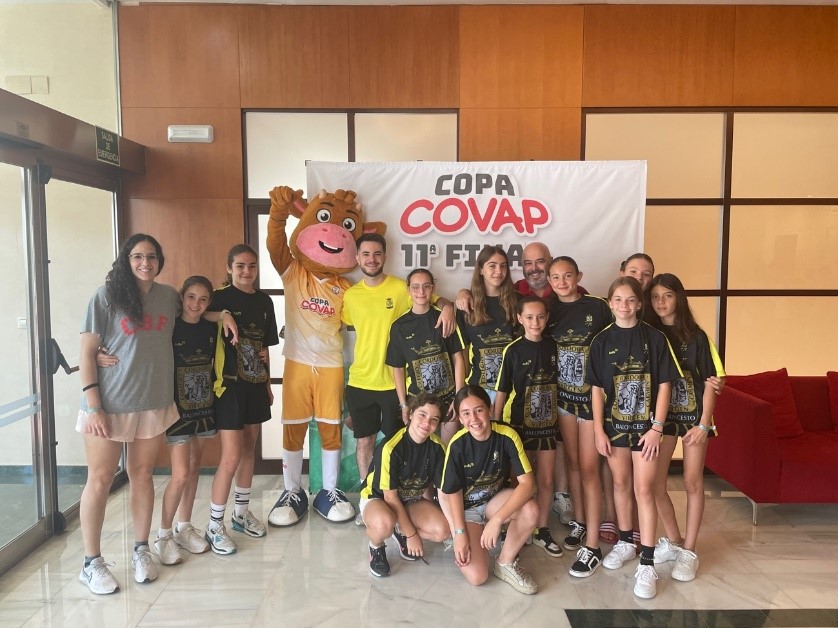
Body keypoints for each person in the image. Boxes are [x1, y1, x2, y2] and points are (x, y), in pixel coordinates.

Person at [77, 234, 180, 593]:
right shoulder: (106, 295)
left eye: (151, 257)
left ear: (159, 260)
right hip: (109, 404)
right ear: (127, 259)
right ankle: (91, 563)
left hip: (153, 401)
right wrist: (94, 406)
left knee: (142, 474)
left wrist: (224, 313)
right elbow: (86, 353)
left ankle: (141, 549)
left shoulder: (168, 296)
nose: (145, 263)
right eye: (137, 256)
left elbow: (195, 311)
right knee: (100, 479)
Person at [343, 234, 455, 512]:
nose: (371, 259)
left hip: (395, 386)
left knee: (402, 444)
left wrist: (449, 307)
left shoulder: (400, 288)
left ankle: (404, 500)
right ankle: (368, 499)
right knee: (365, 441)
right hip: (360, 381)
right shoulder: (351, 295)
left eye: (377, 254)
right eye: (366, 254)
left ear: (385, 256)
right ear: (357, 258)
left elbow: (432, 299)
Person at [588, 276, 682, 599]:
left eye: (631, 299)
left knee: (644, 490)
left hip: (646, 431)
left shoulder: (655, 339)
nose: (624, 305)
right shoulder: (601, 341)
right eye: (618, 299)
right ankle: (626, 541)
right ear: (610, 303)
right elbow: (596, 390)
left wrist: (657, 428)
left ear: (640, 303)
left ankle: (647, 562)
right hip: (614, 428)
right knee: (620, 484)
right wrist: (598, 429)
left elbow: (665, 385)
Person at [649, 273, 725, 582]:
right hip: (662, 419)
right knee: (655, 484)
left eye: (667, 295)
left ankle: (690, 550)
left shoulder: (697, 336)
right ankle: (674, 540)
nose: (661, 302)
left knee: (693, 482)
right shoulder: (650, 333)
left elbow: (712, 383)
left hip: (694, 417)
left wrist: (705, 424)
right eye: (655, 296)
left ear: (679, 298)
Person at [205, 244, 279, 554]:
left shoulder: (264, 301)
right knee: (231, 456)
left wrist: (268, 385)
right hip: (229, 387)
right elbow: (195, 314)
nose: (246, 271)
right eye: (240, 266)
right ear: (229, 268)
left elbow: (265, 348)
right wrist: (222, 314)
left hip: (255, 385)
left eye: (252, 266)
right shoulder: (219, 297)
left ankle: (240, 514)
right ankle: (214, 525)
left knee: (249, 450)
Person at [546, 256, 614, 573]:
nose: (562, 282)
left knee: (589, 468)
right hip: (563, 400)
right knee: (572, 463)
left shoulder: (597, 307)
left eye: (568, 276)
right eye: (556, 277)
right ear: (549, 281)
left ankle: (593, 542)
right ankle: (580, 522)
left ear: (579, 276)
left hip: (591, 401)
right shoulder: (548, 310)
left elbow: (613, 342)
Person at [442, 385, 539, 595]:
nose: (474, 419)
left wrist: (497, 521)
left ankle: (504, 562)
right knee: (477, 577)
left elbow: (528, 484)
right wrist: (459, 533)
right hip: (468, 509)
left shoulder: (507, 435)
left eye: (479, 410)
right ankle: (471, 538)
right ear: (459, 418)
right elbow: (451, 493)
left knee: (530, 510)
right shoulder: (457, 445)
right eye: (466, 413)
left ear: (490, 409)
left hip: (495, 502)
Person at [153, 276, 219, 562]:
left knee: (193, 468)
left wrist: (223, 315)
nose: (196, 304)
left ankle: (184, 527)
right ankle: (163, 535)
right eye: (191, 297)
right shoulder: (170, 327)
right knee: (180, 473)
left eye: (203, 299)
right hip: (176, 410)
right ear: (182, 298)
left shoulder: (210, 328)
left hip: (203, 408)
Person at [494, 296, 562, 557]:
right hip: (519, 425)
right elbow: (502, 390)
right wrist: (497, 424)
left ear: (547, 318)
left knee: (546, 479)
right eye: (530, 317)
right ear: (520, 319)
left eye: (541, 317)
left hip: (548, 424)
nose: (536, 322)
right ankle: (517, 527)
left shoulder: (553, 346)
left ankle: (541, 529)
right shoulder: (513, 350)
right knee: (519, 480)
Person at [359, 392, 450, 577]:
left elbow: (443, 492)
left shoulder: (439, 448)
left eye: (434, 419)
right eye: (422, 415)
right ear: (411, 414)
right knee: (384, 524)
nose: (426, 423)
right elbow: (390, 497)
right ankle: (376, 546)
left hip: (409, 500)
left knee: (442, 531)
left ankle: (399, 529)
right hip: (379, 499)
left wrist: (459, 532)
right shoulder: (391, 447)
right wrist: (412, 535)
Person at [385, 268, 464, 443]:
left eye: (426, 286)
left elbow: (458, 358)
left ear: (433, 288)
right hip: (418, 402)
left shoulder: (445, 318)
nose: (421, 292)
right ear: (408, 290)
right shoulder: (399, 327)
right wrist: (404, 404)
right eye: (415, 287)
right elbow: (398, 368)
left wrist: (459, 397)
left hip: (449, 400)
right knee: (421, 450)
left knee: (447, 450)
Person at [455, 245, 519, 411]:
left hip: (513, 389)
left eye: (503, 266)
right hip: (479, 390)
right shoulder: (467, 305)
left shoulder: (518, 302)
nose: (499, 271)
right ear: (480, 270)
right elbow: (462, 354)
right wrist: (460, 394)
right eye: (492, 266)